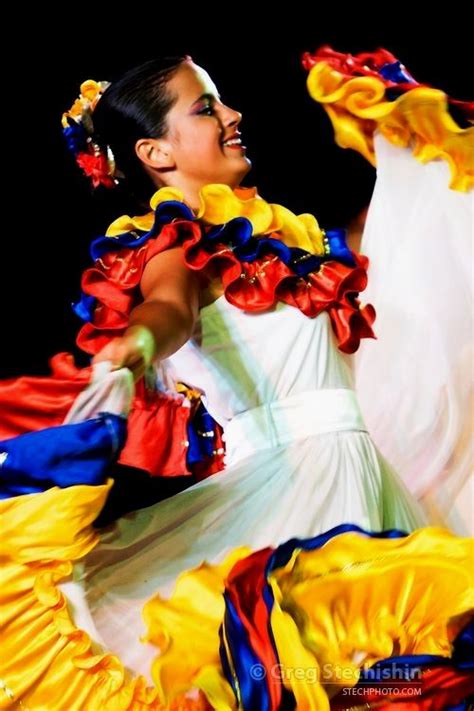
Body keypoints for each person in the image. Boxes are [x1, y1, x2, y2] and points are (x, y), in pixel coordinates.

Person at [1, 50, 472, 710]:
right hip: (291, 493)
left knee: (379, 675)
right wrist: (136, 343)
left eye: (221, 102)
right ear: (156, 153)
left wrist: (418, 161)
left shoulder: (276, 244)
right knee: (318, 674)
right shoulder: (175, 243)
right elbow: (167, 306)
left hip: (358, 472)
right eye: (206, 107)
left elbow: (396, 270)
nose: (233, 114)